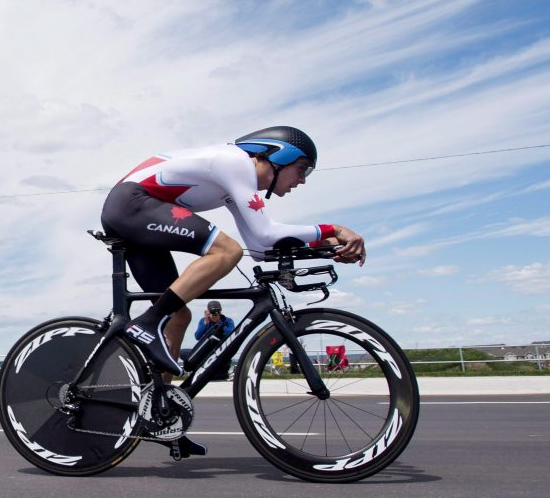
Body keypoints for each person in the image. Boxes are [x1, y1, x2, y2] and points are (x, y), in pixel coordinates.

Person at [100, 126, 366, 457]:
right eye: (303, 169)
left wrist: (321, 244)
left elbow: (260, 244)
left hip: (137, 209)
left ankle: (162, 416)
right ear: (278, 157)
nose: (303, 180)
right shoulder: (236, 162)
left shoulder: (233, 183)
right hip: (133, 203)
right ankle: (146, 323)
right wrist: (333, 228)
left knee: (179, 315)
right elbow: (264, 235)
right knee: (226, 251)